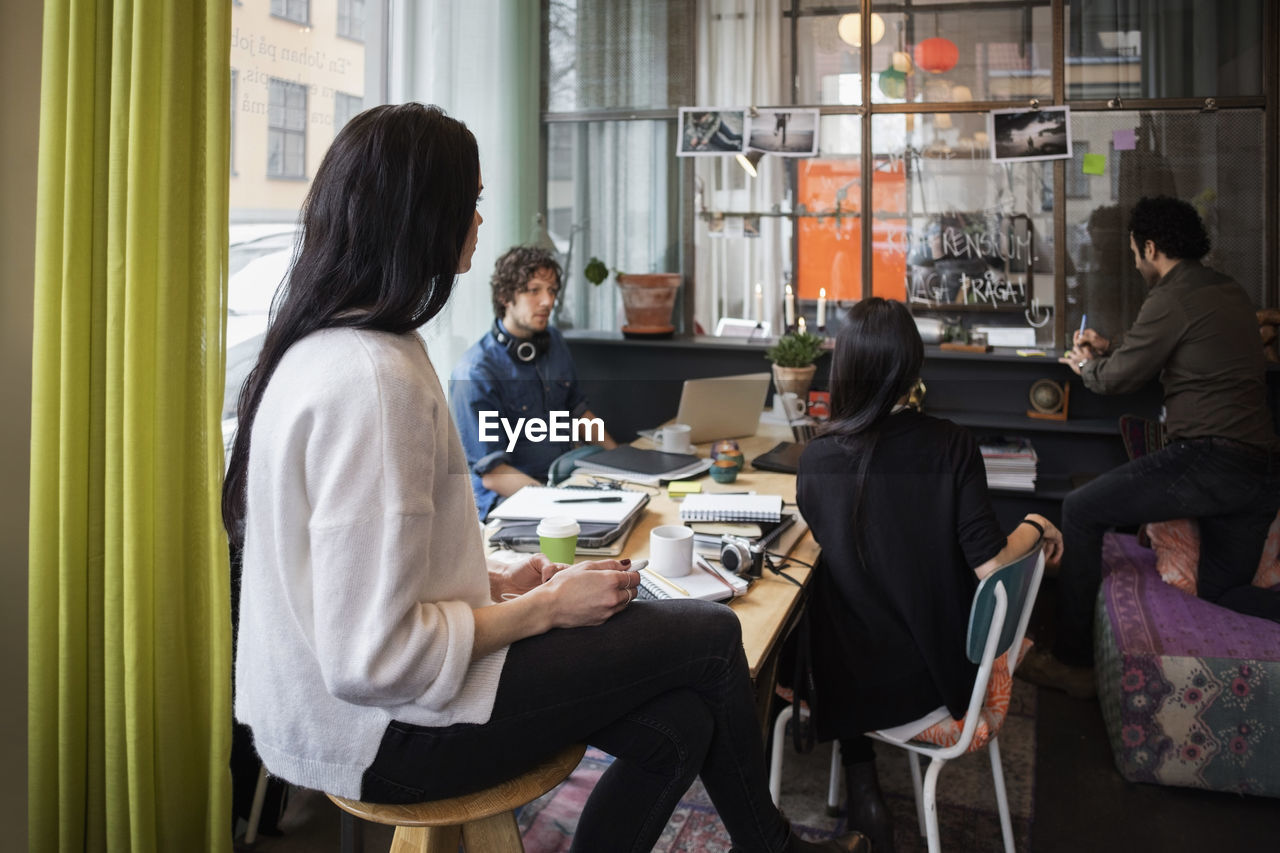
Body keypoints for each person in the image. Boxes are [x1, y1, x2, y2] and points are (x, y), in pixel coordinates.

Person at [223, 103, 862, 853]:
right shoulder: (373, 378)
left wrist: (490, 578)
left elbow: (360, 581)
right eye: (473, 202)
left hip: (336, 713)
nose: (480, 221)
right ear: (425, 214)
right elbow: (377, 655)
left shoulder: (323, 347)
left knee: (681, 725)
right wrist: (550, 608)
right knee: (716, 633)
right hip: (386, 737)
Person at [795, 298, 1063, 853]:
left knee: (822, 594)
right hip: (943, 679)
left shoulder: (817, 460)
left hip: (854, 684)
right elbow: (992, 566)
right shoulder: (952, 444)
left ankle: (862, 786)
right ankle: (864, 785)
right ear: (912, 369)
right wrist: (1037, 524)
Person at [1022, 196, 1280, 694]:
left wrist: (1085, 366)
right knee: (1223, 590)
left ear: (1151, 246)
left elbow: (1117, 379)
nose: (1135, 262)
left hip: (1211, 458)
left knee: (1079, 508)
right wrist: (1112, 345)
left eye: (1135, 252)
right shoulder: (1229, 290)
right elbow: (1180, 344)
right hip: (1262, 470)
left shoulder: (1170, 296)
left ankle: (1073, 663)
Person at [450, 246, 615, 519]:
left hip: (561, 486)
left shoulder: (554, 342)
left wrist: (623, 464)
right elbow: (494, 475)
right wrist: (560, 504)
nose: (547, 301)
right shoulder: (475, 372)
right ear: (505, 296)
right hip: (511, 505)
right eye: (534, 290)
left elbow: (579, 412)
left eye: (551, 290)